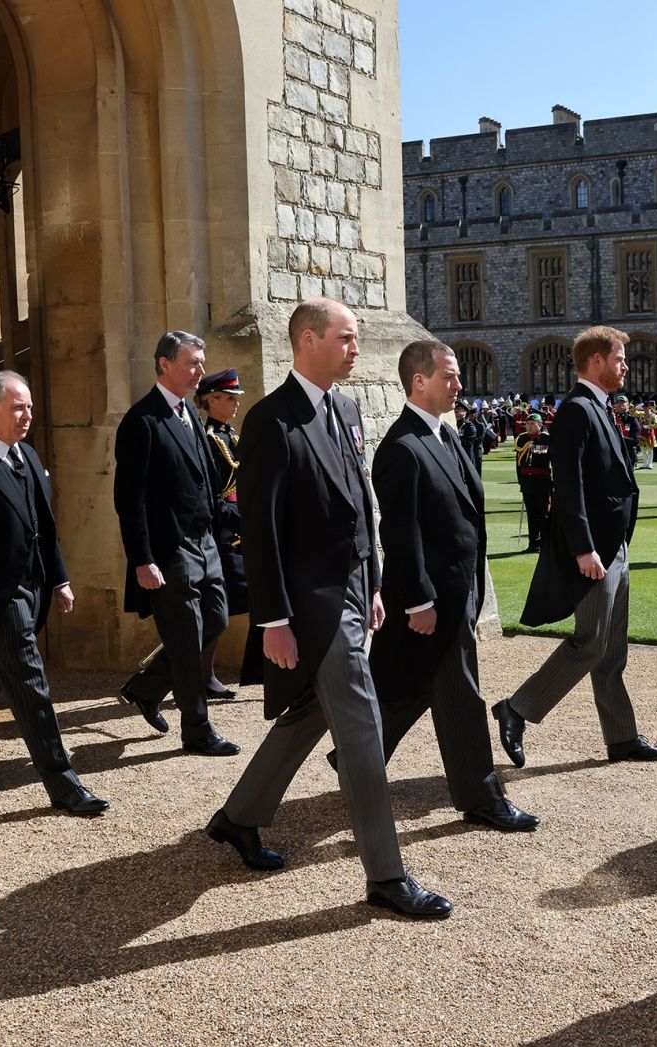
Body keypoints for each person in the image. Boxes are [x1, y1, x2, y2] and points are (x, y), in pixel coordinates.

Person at [209, 298, 451, 918]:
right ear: (308, 339)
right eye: (345, 337)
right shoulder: (270, 419)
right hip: (308, 603)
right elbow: (259, 530)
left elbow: (357, 504)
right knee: (362, 723)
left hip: (349, 593)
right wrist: (272, 620)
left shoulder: (344, 408)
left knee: (314, 707)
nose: (355, 346)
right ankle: (387, 876)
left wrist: (370, 583)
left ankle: (239, 817)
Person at [355, 341, 538, 830]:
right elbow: (401, 532)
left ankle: (354, 761)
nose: (460, 385)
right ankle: (481, 798)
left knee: (410, 687)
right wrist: (418, 600)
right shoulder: (401, 446)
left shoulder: (445, 435)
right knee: (461, 698)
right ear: (419, 381)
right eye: (450, 376)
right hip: (431, 598)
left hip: (459, 592)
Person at [0, 370, 108, 816]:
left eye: (29, 406)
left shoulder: (27, 456)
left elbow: (44, 528)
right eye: (17, 406)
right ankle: (65, 788)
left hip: (34, 592)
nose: (27, 414)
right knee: (32, 687)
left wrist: (60, 579)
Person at [493, 325, 657, 767]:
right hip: (594, 549)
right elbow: (568, 487)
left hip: (615, 545)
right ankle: (517, 709)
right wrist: (584, 548)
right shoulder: (577, 408)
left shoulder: (600, 406)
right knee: (591, 642)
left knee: (612, 650)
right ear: (596, 361)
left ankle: (621, 736)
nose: (625, 365)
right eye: (618, 358)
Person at [113, 331, 239, 757]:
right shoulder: (142, 421)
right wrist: (142, 559)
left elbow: (207, 484)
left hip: (205, 544)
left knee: (216, 621)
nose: (199, 371)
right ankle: (197, 730)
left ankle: (146, 689)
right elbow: (128, 501)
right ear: (164, 365)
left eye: (202, 363)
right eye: (192, 363)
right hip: (170, 551)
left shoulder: (189, 416)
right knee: (186, 639)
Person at [196, 367, 247, 699]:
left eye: (235, 399)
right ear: (210, 401)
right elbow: (212, 498)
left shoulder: (229, 436)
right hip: (223, 534)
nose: (235, 405)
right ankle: (201, 675)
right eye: (228, 399)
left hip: (238, 530)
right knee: (216, 612)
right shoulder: (210, 439)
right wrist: (242, 519)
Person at [515, 413, 552, 553]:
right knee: (531, 515)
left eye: (532, 423)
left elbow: (553, 461)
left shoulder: (547, 439)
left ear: (540, 425)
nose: (529, 426)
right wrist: (521, 482)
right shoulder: (522, 439)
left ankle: (545, 544)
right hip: (527, 482)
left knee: (543, 514)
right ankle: (533, 544)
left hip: (542, 481)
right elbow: (518, 463)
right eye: (528, 423)